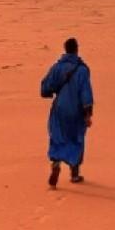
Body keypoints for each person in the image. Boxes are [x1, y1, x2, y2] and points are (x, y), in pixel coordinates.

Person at [40, 37, 94, 187]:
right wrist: (88, 113)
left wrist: (50, 92)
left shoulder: (57, 67)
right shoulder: (82, 70)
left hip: (59, 109)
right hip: (76, 111)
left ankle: (56, 164)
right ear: (77, 49)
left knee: (57, 136)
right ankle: (74, 174)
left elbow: (45, 87)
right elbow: (86, 93)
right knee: (76, 138)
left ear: (65, 49)